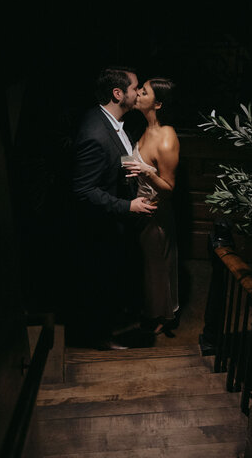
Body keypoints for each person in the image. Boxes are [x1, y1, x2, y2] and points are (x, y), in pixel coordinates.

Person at [70, 66, 157, 349]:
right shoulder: (95, 133)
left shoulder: (111, 122)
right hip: (99, 228)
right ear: (118, 94)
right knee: (99, 283)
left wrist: (130, 171)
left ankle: (109, 326)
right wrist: (126, 205)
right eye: (134, 88)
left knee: (111, 281)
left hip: (114, 224)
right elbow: (83, 190)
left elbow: (112, 161)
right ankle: (100, 340)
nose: (137, 93)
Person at [122, 77, 180, 336]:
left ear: (157, 104)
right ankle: (149, 309)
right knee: (146, 266)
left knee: (158, 267)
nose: (137, 95)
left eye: (143, 92)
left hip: (156, 211)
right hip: (139, 208)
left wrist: (146, 172)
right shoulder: (144, 128)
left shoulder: (167, 138)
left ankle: (164, 316)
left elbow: (169, 188)